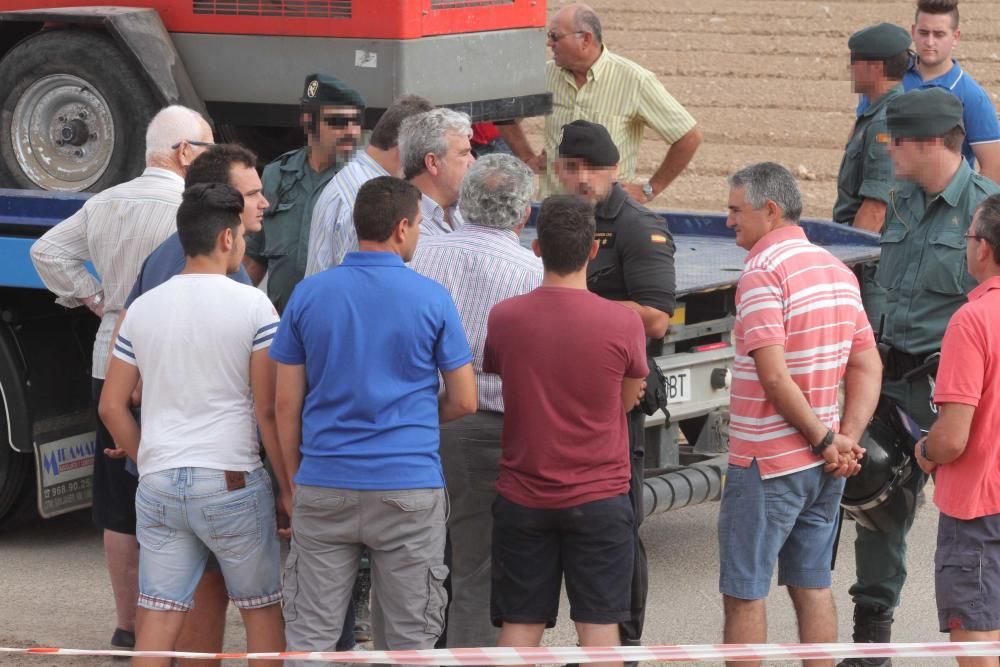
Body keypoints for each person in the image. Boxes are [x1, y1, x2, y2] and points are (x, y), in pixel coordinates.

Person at [271, 176, 477, 665]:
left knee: (311, 639)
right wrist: (419, 420)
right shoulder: (432, 298)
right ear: (402, 227)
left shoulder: (307, 295)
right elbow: (466, 399)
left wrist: (294, 475)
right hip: (408, 484)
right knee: (410, 641)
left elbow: (284, 404)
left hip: (324, 481)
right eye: (420, 226)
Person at [29, 104, 213, 650]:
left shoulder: (106, 201)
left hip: (107, 358)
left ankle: (127, 627)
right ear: (184, 152)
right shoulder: (191, 210)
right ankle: (173, 626)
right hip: (168, 363)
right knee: (173, 495)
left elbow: (47, 251)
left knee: (118, 502)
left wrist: (95, 298)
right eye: (205, 150)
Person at [840, 88, 1000, 667]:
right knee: (874, 508)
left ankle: (981, 631)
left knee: (976, 522)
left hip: (956, 394)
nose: (888, 151)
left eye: (896, 140)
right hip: (891, 383)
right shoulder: (896, 202)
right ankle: (871, 647)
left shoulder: (987, 212)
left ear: (931, 142)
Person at [98, 182, 286, 667]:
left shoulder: (143, 308)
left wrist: (149, 458)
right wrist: (286, 486)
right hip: (231, 480)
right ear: (227, 238)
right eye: (243, 237)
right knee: (260, 610)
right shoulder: (254, 307)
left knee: (157, 618)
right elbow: (267, 409)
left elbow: (112, 405)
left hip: (160, 482)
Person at [719, 162, 882, 667]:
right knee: (812, 584)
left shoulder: (763, 272)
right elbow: (866, 363)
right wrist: (844, 438)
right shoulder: (836, 269)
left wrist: (823, 439)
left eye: (734, 210)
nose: (728, 222)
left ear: (769, 211)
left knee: (745, 591)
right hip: (825, 465)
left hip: (767, 461)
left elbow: (773, 377)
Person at [483, 194, 648, 667]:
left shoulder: (506, 317)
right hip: (599, 497)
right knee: (599, 630)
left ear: (537, 248)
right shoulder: (623, 322)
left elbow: (501, 373)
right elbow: (628, 395)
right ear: (593, 249)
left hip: (523, 495)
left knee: (520, 626)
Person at [409, 154, 543, 649]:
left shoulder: (420, 255)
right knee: (477, 566)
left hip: (418, 424)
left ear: (464, 202)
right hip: (490, 430)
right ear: (524, 213)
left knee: (412, 563)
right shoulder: (531, 272)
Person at [553, 119, 674, 649]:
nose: (583, 179)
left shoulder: (637, 227)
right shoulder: (556, 221)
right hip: (558, 393)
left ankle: (623, 645)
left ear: (615, 169)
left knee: (619, 525)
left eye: (594, 169)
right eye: (572, 168)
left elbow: (656, 318)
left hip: (618, 397)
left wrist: (578, 306)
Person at [914, 193, 1000, 665]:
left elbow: (952, 439)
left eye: (968, 235)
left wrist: (924, 448)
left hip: (980, 514)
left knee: (978, 651)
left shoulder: (973, 321)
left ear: (983, 247)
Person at [499, 3, 702, 203]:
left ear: (585, 39)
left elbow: (688, 136)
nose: (549, 43)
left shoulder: (635, 80)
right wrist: (527, 158)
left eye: (555, 36)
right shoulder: (545, 76)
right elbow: (504, 115)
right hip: (555, 211)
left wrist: (649, 190)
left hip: (608, 216)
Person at [243, 73, 365, 312]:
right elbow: (255, 256)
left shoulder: (362, 182)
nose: (351, 131)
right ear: (309, 123)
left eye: (356, 121)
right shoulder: (276, 174)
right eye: (338, 122)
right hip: (280, 323)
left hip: (332, 322)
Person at [857, 0, 1000, 182]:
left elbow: (994, 166)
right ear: (913, 31)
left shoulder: (972, 96)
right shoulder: (886, 80)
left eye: (939, 34)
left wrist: (966, 207)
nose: (930, 42)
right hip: (880, 201)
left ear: (956, 37)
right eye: (924, 33)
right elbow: (858, 138)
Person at [305, 94, 433, 276]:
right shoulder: (367, 198)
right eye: (425, 152)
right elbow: (360, 283)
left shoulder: (353, 178)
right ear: (405, 147)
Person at [834, 23, 910, 233]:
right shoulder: (881, 113)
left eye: (854, 61)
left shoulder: (883, 123)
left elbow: (876, 208)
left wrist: (850, 262)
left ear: (875, 67)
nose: (850, 68)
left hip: (870, 257)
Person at [398, 108, 475, 237]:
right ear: (432, 163)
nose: (473, 161)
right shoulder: (404, 226)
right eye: (464, 154)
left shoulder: (463, 209)